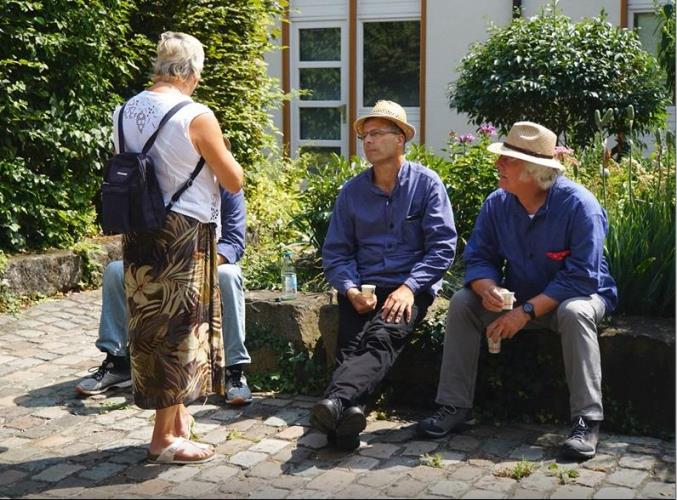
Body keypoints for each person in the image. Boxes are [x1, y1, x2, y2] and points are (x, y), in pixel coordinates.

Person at [417, 121, 617, 460]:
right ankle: (453, 407)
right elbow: (478, 257)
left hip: (581, 295)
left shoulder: (580, 206)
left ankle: (586, 421)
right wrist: (488, 288)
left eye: (507, 161)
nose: (498, 165)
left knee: (575, 312)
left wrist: (523, 313)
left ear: (533, 171)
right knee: (465, 301)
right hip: (523, 294)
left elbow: (581, 277)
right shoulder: (497, 203)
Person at [112, 32, 243, 464]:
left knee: (148, 325)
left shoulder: (124, 111)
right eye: (200, 71)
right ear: (189, 71)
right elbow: (233, 180)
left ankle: (178, 417)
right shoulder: (196, 115)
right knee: (180, 329)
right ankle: (163, 439)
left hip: (138, 228)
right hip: (183, 232)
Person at [311, 100, 457, 450]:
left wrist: (409, 288)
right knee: (350, 348)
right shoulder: (352, 192)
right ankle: (349, 415)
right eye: (364, 135)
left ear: (400, 139)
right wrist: (349, 290)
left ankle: (335, 404)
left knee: (382, 337)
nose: (368, 141)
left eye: (377, 134)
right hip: (365, 286)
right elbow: (337, 252)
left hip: (411, 284)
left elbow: (442, 248)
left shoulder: (426, 185)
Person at [75, 188, 252, 406]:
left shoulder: (226, 185)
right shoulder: (173, 177)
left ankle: (234, 371)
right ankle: (118, 362)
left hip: (209, 263)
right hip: (161, 260)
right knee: (115, 271)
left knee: (229, 276)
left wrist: (200, 265)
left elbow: (234, 241)